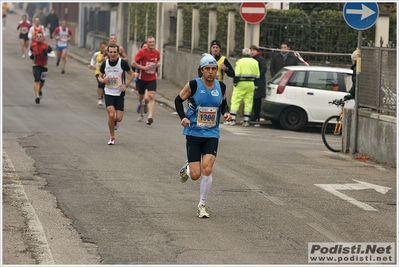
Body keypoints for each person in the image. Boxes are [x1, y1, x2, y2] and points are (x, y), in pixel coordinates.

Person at [174, 53, 232, 218]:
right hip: (193, 132)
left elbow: (223, 105)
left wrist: (226, 113)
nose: (211, 72)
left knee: (207, 168)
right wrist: (183, 117)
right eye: (207, 69)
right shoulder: (193, 85)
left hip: (212, 133)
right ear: (201, 70)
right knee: (195, 175)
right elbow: (178, 100)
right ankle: (187, 167)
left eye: (214, 69)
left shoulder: (221, 87)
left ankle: (202, 205)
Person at [98, 44, 135, 145]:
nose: (113, 54)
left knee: (118, 118)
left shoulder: (122, 63)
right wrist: (103, 80)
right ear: (108, 53)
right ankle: (112, 137)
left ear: (118, 53)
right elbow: (99, 77)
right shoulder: (105, 63)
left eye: (115, 52)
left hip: (119, 93)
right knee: (111, 115)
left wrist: (126, 84)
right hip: (109, 92)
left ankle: (115, 122)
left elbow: (132, 74)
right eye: (111, 52)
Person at [131, 36, 161, 125]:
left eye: (153, 42)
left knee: (151, 96)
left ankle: (150, 116)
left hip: (152, 78)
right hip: (142, 78)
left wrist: (158, 64)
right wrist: (143, 67)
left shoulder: (157, 53)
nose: (152, 44)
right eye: (150, 42)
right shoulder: (142, 52)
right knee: (141, 97)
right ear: (147, 43)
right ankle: (141, 105)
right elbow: (133, 63)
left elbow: (158, 61)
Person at [229, 48, 260, 127]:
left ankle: (232, 120)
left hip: (240, 84)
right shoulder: (255, 62)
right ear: (250, 54)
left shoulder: (240, 62)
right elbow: (257, 76)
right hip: (251, 84)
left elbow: (237, 74)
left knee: (235, 101)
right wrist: (256, 87)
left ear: (242, 54)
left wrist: (235, 83)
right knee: (248, 103)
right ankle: (246, 121)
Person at [28, 31, 55, 104]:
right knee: (36, 80)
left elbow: (53, 55)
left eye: (40, 36)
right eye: (37, 36)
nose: (38, 38)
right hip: (35, 65)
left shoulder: (46, 46)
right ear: (35, 38)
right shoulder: (33, 45)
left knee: (42, 82)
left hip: (44, 66)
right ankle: (37, 96)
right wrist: (31, 56)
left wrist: (47, 54)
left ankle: (39, 90)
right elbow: (30, 52)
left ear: (43, 38)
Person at [249, 45, 267, 125]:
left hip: (259, 82)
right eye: (251, 50)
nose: (252, 51)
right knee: (252, 99)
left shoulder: (260, 59)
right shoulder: (251, 59)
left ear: (257, 51)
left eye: (254, 50)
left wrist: (257, 76)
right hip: (253, 82)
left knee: (257, 100)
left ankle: (256, 115)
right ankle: (253, 115)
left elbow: (264, 68)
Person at [131, 41, 148, 122]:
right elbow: (133, 66)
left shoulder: (151, 56)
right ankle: (141, 114)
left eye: (146, 46)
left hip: (149, 80)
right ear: (141, 48)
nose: (145, 48)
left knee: (147, 98)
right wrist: (135, 73)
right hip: (140, 79)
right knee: (140, 96)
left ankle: (145, 104)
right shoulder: (139, 56)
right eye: (144, 46)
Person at [89, 41, 108, 106]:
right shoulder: (97, 54)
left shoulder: (109, 55)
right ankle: (100, 98)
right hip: (98, 72)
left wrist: (104, 60)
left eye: (104, 48)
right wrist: (91, 65)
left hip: (106, 73)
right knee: (100, 84)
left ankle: (104, 98)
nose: (103, 49)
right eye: (102, 47)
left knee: (104, 86)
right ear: (100, 47)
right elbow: (93, 59)